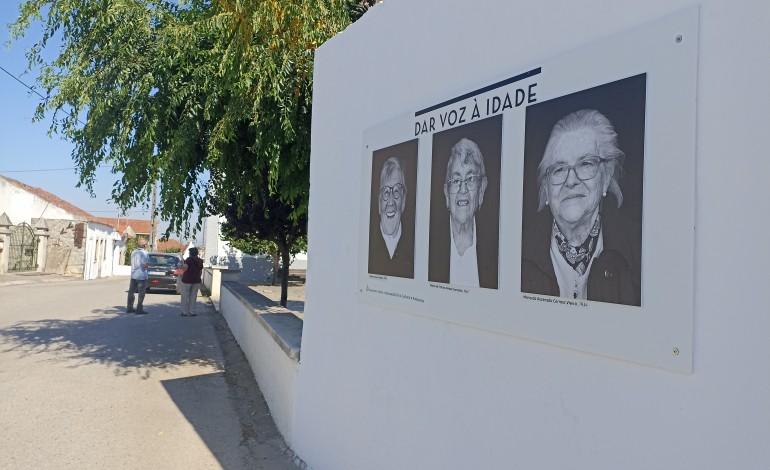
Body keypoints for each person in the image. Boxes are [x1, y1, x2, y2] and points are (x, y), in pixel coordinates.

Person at [521, 109, 641, 306]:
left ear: (607, 175)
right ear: (546, 186)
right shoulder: (517, 254)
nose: (571, 180)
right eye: (559, 169)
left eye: (585, 164)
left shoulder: (640, 249)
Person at [430, 137, 497, 288]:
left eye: (471, 178)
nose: (463, 189)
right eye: (455, 180)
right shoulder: (429, 245)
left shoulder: (497, 248)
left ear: (481, 189)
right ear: (447, 192)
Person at [368, 156, 414, 278]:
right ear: (379, 202)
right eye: (386, 192)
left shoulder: (415, 246)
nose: (390, 202)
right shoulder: (367, 246)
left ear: (403, 200)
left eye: (397, 191)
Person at [179, 246, 204, 316]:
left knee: (185, 296)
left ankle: (184, 312)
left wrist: (181, 265)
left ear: (190, 253)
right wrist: (198, 278)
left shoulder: (188, 260)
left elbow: (185, 268)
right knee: (193, 296)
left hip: (187, 280)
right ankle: (192, 311)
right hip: (196, 280)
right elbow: (200, 271)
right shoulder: (200, 260)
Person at [127, 238, 150, 314]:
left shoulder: (133, 252)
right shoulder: (144, 253)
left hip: (134, 274)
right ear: (144, 245)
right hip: (141, 275)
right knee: (141, 293)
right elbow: (145, 265)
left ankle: (129, 307)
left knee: (131, 291)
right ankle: (139, 308)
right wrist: (148, 264)